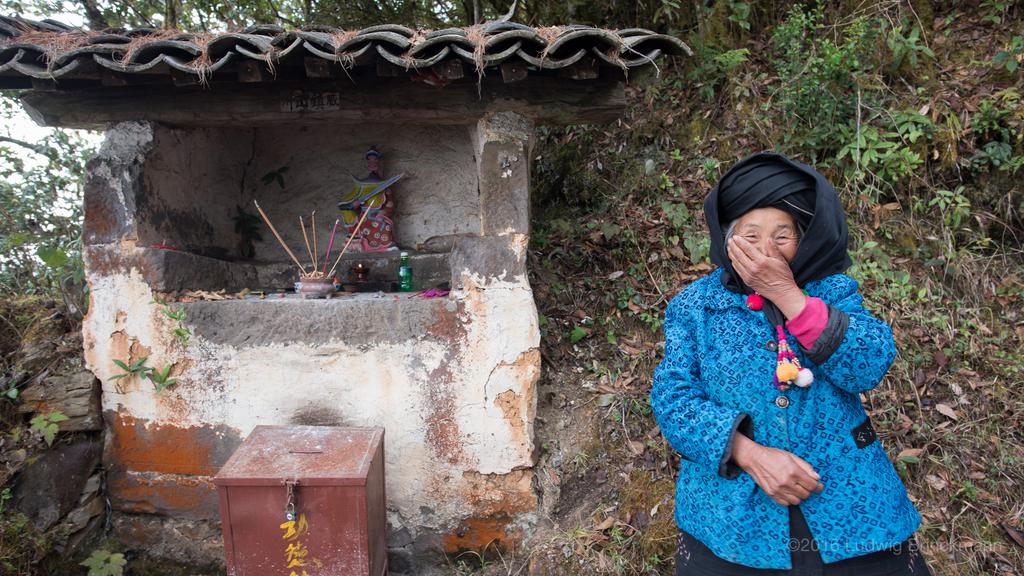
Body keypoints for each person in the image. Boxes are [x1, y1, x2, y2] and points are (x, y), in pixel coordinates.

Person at [650, 152, 933, 575]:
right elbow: (673, 400)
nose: (766, 249)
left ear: (803, 241)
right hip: (731, 520)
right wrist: (748, 454)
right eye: (751, 235)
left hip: (851, 511)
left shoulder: (832, 290)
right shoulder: (695, 307)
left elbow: (869, 365)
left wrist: (788, 295)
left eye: (782, 237)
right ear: (727, 239)